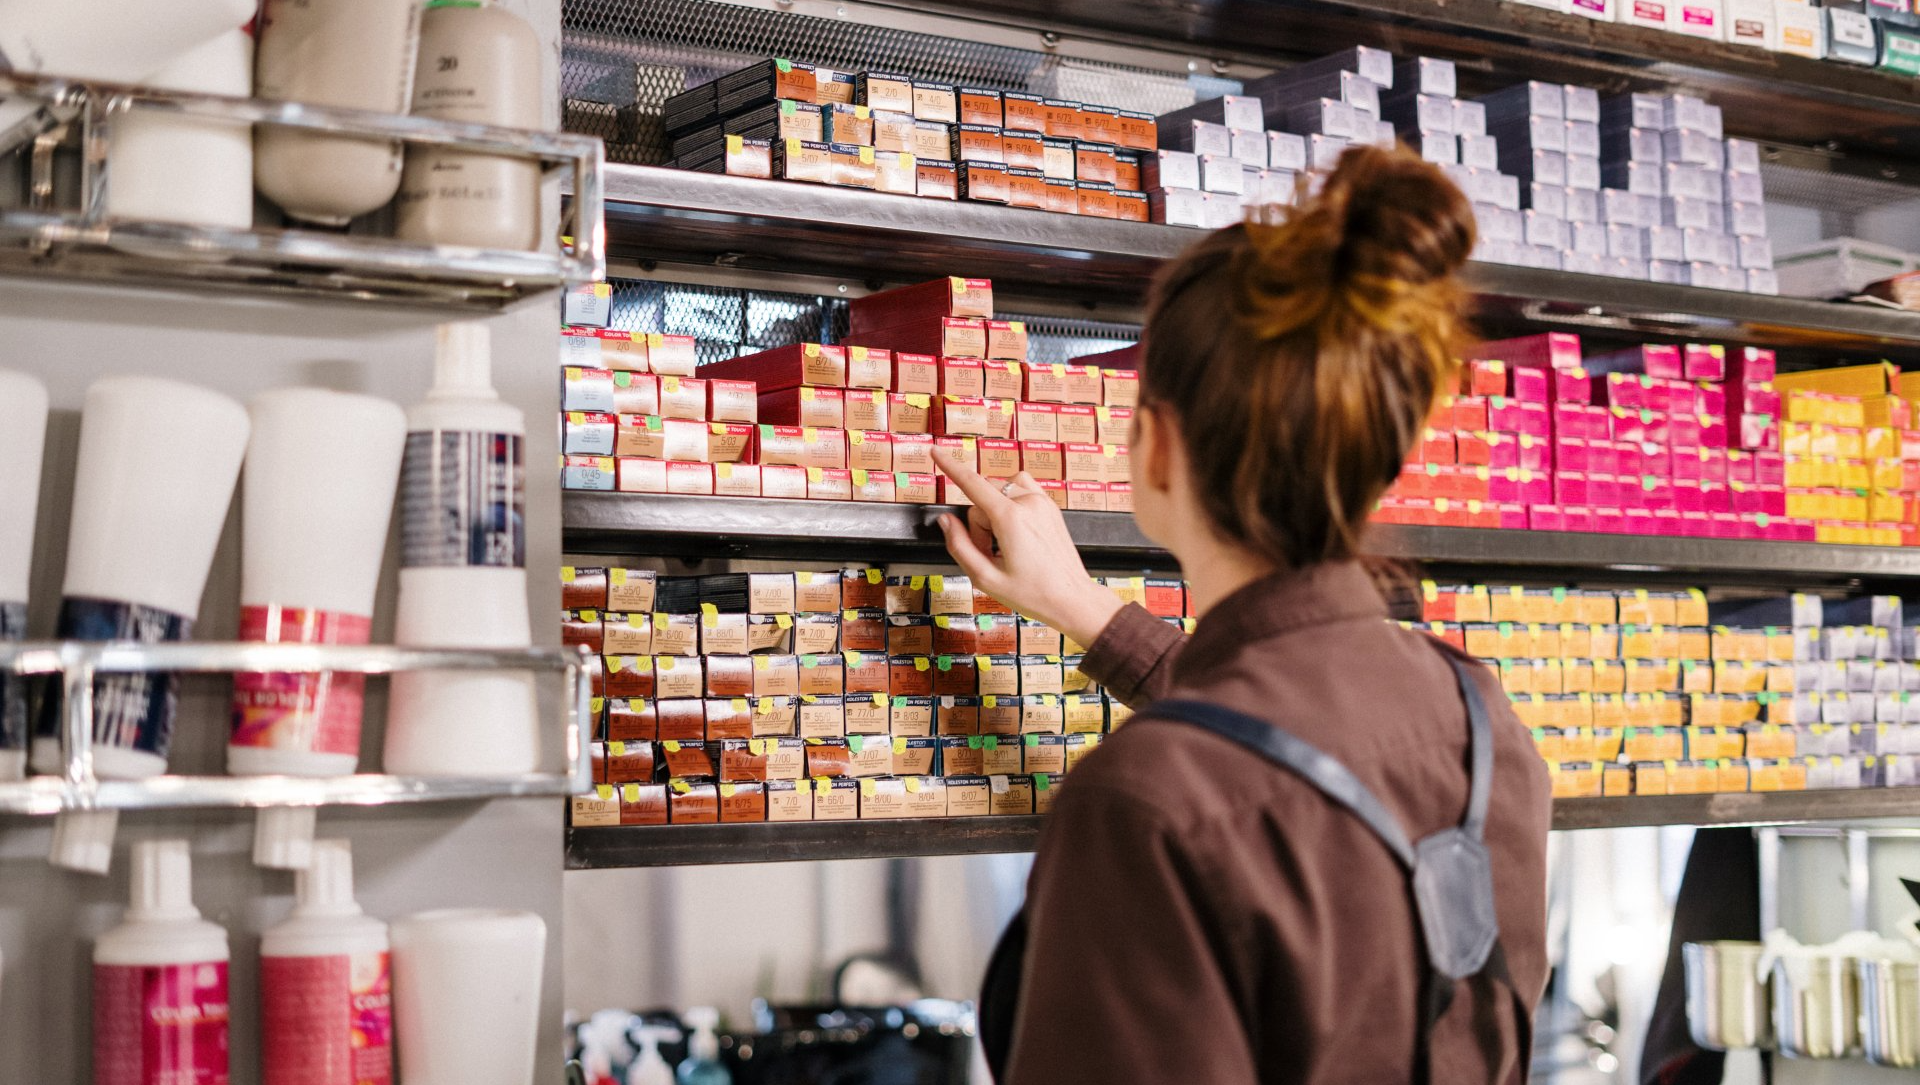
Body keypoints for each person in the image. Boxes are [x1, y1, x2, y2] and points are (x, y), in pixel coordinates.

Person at [927, 144, 1553, 1085]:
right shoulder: (1477, 720)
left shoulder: (1140, 804)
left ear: (1156, 445)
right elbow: (1286, 751)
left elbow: (1246, 780)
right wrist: (1086, 610)